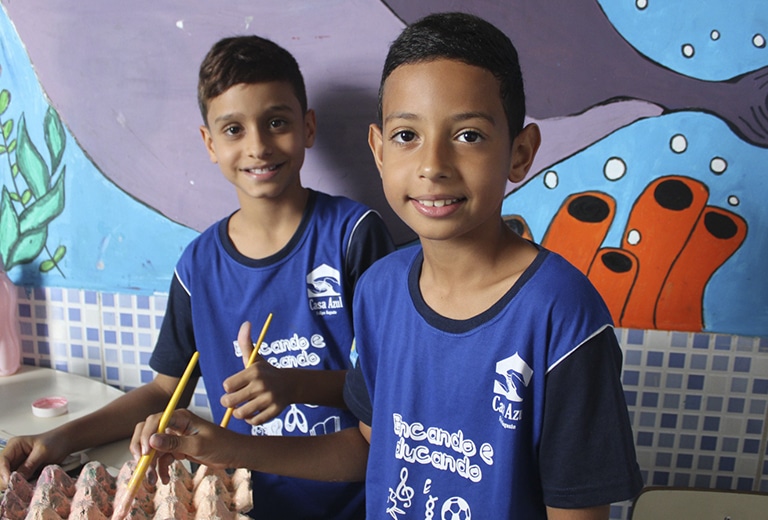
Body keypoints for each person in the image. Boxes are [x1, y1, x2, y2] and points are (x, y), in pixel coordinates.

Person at [127, 12, 644, 519]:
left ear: (520, 153)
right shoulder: (380, 290)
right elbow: (368, 450)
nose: (432, 165)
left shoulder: (562, 315)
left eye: (469, 135)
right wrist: (232, 449)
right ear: (378, 150)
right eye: (406, 136)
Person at [0, 35, 395, 519]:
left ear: (307, 127)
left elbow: (388, 386)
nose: (258, 146)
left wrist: (294, 385)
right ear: (209, 143)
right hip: (246, 502)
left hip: (356, 502)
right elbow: (168, 390)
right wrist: (57, 438)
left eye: (276, 122)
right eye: (233, 129)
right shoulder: (198, 265)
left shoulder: (354, 235)